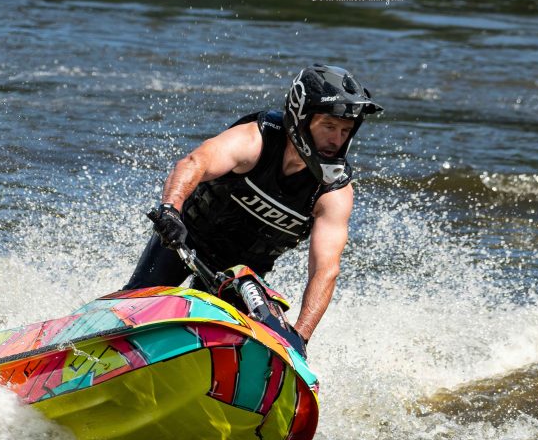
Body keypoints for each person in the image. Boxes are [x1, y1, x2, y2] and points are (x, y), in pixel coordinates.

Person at [125, 64, 383, 346]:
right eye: (329, 127)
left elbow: (325, 269)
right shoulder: (256, 140)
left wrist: (301, 336)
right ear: (301, 118)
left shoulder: (333, 191)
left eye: (345, 131)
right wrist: (170, 211)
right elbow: (193, 164)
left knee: (226, 339)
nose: (336, 140)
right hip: (182, 242)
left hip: (241, 275)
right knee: (138, 305)